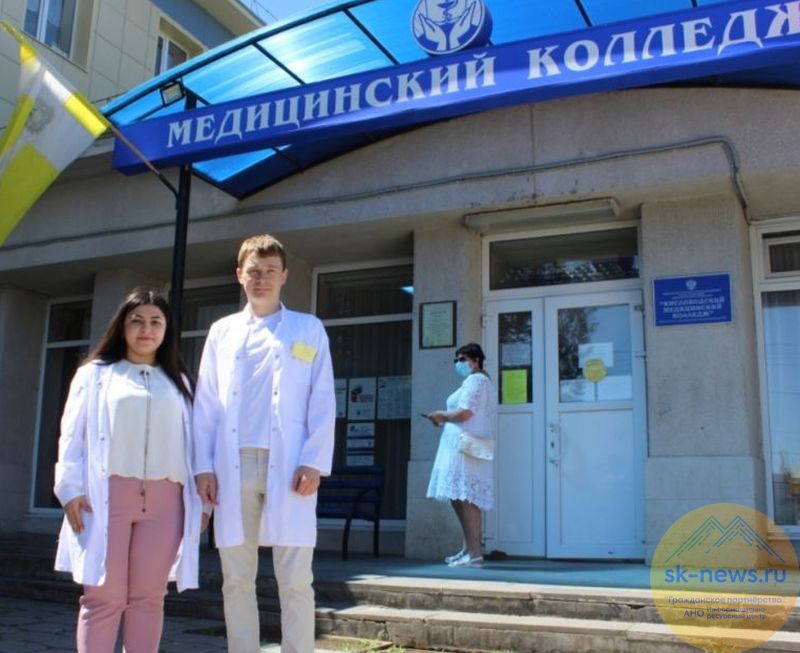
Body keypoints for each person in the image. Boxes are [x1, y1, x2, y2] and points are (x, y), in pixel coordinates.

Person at [193, 234, 336, 653]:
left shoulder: (308, 329)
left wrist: (314, 461)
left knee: (296, 578)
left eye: (271, 271)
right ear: (239, 275)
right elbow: (205, 404)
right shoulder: (222, 332)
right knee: (237, 579)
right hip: (232, 466)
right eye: (254, 271)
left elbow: (323, 399)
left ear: (284, 276)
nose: (262, 279)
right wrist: (203, 467)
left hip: (290, 466)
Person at [53, 288, 203, 653]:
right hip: (106, 498)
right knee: (103, 596)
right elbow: (71, 435)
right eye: (136, 321)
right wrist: (69, 489)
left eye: (155, 322)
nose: (146, 329)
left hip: (166, 502)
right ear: (122, 327)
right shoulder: (94, 375)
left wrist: (202, 505)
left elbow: (197, 446)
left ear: (167, 329)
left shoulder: (181, 382)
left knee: (148, 598)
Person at [424, 342, 497, 568]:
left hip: (465, 448)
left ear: (476, 360)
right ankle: (468, 549)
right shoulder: (473, 381)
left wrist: (441, 415)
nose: (458, 363)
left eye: (462, 359)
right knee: (459, 497)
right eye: (456, 360)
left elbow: (465, 413)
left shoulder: (477, 380)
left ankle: (475, 554)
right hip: (459, 446)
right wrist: (443, 418)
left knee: (467, 499)